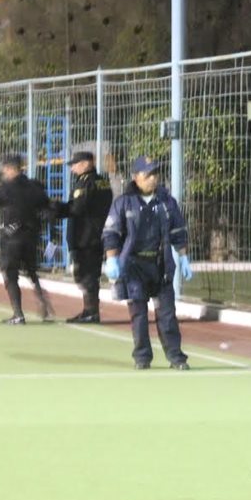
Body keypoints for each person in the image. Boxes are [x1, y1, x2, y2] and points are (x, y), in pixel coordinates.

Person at [102, 155, 193, 370]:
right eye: (148, 174)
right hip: (134, 266)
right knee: (139, 315)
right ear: (136, 177)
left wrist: (184, 256)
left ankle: (176, 357)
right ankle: (142, 357)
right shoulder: (123, 202)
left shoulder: (167, 202)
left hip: (160, 266)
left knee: (167, 315)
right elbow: (111, 233)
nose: (153, 178)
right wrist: (112, 259)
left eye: (155, 174)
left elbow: (178, 231)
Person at [0, 154, 56, 324]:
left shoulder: (4, 188)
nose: (4, 173)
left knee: (10, 273)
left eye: (5, 169)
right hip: (31, 235)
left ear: (10, 168)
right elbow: (46, 205)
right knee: (32, 271)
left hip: (12, 237)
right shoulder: (34, 187)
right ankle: (41, 298)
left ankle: (18, 313)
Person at [52, 150, 114, 323]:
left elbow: (77, 208)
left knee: (85, 274)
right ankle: (89, 310)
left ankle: (91, 312)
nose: (72, 169)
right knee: (87, 274)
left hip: (84, 235)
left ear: (87, 164)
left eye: (75, 164)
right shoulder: (103, 182)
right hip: (94, 233)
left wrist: (56, 208)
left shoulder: (86, 182)